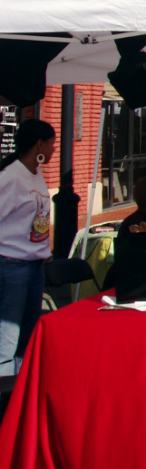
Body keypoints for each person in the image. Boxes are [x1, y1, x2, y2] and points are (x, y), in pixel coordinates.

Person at [0, 120, 55, 377]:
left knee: (27, 336)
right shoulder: (11, 177)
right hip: (12, 265)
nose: (55, 149)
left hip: (34, 266)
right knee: (7, 336)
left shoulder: (35, 172)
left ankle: (17, 393)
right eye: (53, 143)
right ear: (40, 144)